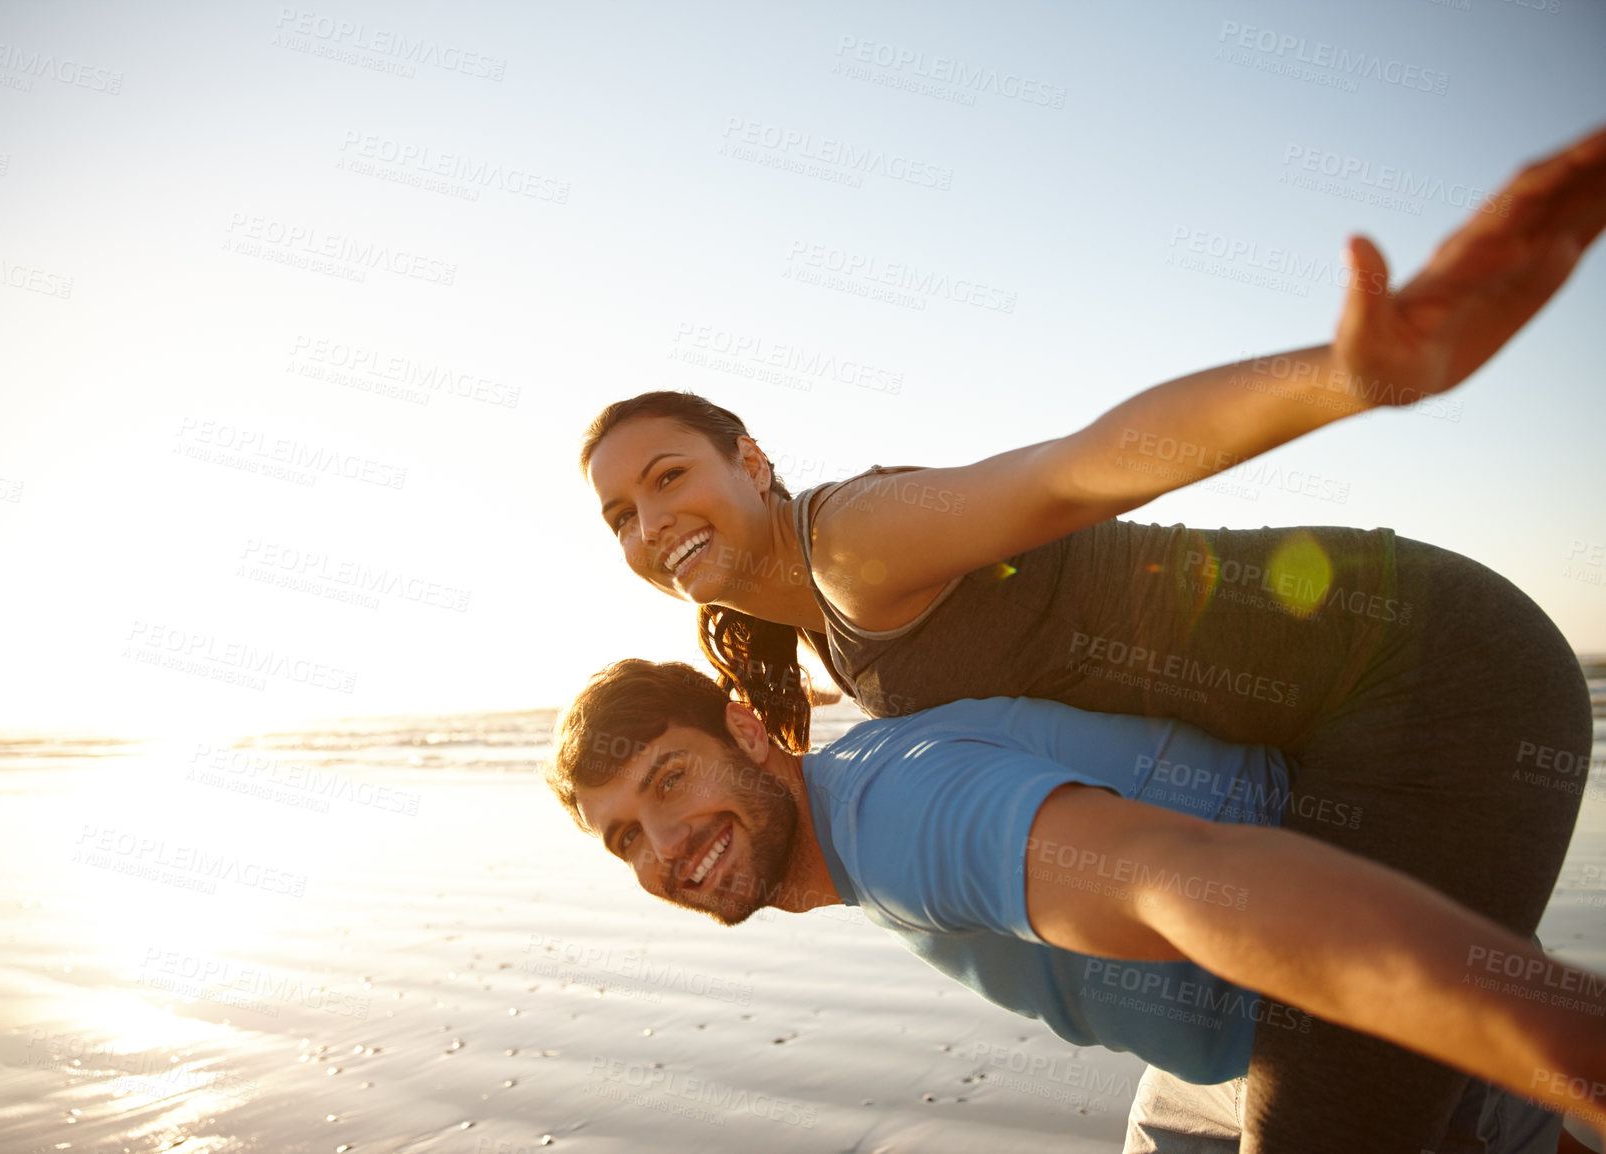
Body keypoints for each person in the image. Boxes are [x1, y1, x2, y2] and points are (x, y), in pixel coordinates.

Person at [578, 125, 1606, 1153]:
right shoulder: (826, 640)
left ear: (750, 460)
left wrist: (1346, 374)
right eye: (620, 513)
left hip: (1429, 676)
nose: (649, 519)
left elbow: (1083, 465)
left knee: (1351, 1102)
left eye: (666, 475)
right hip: (1317, 752)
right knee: (1419, 1096)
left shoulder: (857, 543)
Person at [543, 659, 1606, 1145]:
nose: (667, 846)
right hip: (1221, 1056)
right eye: (625, 833)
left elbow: (1186, 883)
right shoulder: (853, 794)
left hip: (1326, 995)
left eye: (669, 778)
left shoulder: (900, 820)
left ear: (743, 729)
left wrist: (1550, 1022)